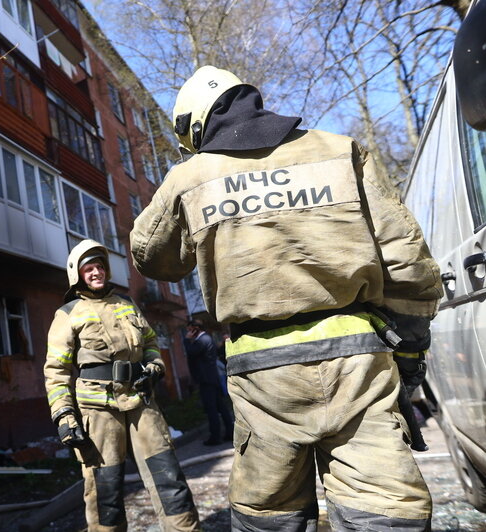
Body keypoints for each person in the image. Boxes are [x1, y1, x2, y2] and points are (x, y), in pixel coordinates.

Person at [129, 66, 442, 531]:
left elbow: (152, 258)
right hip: (358, 361)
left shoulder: (190, 176)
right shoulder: (340, 151)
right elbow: (406, 257)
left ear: (195, 125)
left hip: (263, 373)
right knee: (384, 508)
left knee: (269, 513)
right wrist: (411, 347)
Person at [43, 239, 200, 532]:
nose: (96, 272)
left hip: (141, 399)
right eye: (88, 268)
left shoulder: (127, 304)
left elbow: (151, 342)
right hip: (98, 409)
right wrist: (64, 415)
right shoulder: (68, 313)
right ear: (77, 274)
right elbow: (57, 369)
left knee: (169, 477)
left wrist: (155, 367)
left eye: (99, 266)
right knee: (106, 490)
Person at [183, 320, 232, 445]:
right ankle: (229, 433)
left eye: (190, 330)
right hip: (210, 379)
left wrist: (187, 340)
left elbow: (190, 352)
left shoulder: (203, 340)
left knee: (212, 409)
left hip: (207, 380)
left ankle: (215, 437)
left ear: (196, 328)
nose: (188, 333)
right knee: (221, 407)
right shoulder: (205, 339)